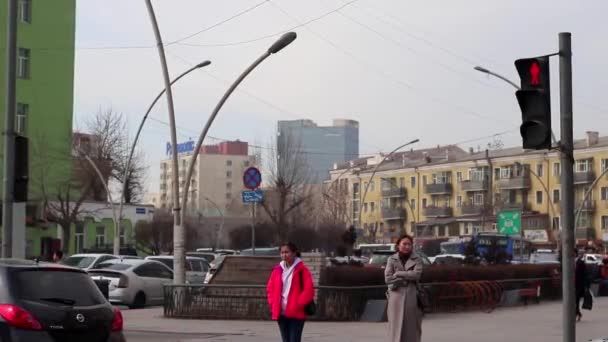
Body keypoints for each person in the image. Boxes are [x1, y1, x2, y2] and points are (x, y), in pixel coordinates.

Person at [266, 242, 315, 342]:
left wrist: (297, 304)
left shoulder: (302, 270)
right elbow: (270, 288)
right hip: (281, 313)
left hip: (296, 314)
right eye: (282, 252)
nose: (284, 255)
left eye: (287, 252)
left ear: (294, 253)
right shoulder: (277, 270)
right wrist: (273, 303)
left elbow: (309, 291)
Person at [385, 234, 423, 342]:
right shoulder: (391, 259)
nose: (407, 246)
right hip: (395, 298)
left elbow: (416, 275)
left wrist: (398, 274)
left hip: (412, 297)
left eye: (409, 244)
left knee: (412, 327)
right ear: (398, 245)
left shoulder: (417, 259)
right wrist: (406, 276)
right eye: (404, 244)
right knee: (395, 327)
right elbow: (388, 278)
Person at [575, 248, 588, 322]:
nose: (580, 255)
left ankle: (577, 313)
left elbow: (584, 274)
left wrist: (585, 285)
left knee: (576, 300)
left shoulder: (581, 263)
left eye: (581, 253)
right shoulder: (577, 261)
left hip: (579, 284)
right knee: (575, 300)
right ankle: (577, 313)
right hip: (576, 284)